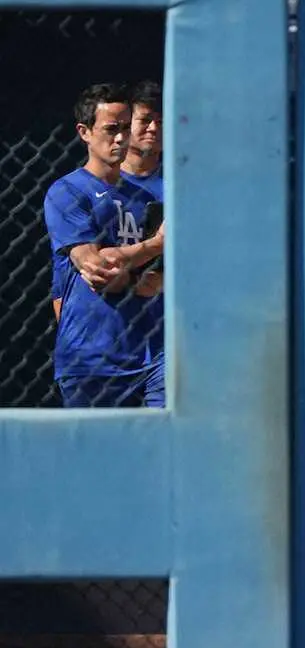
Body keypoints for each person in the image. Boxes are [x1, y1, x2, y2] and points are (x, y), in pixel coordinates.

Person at [44, 82, 165, 408]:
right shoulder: (68, 191)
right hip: (93, 356)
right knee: (98, 456)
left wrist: (161, 279)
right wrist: (155, 246)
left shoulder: (152, 198)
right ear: (85, 132)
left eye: (127, 128)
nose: (122, 138)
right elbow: (96, 267)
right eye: (112, 129)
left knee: (165, 450)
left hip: (155, 355)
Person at [120, 79, 166, 371]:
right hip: (111, 337)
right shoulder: (95, 186)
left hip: (167, 339)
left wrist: (166, 282)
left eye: (161, 121)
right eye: (145, 120)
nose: (153, 128)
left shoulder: (183, 188)